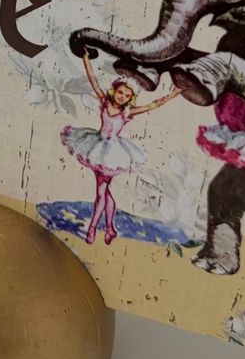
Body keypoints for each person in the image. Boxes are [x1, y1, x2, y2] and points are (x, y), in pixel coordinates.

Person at [61, 51, 180, 244]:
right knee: (105, 192)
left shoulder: (127, 112)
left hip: (111, 154)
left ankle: (92, 228)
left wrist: (173, 94)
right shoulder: (104, 102)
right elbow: (93, 81)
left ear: (130, 98)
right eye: (120, 92)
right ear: (114, 90)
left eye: (127, 95)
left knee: (101, 192)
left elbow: (153, 105)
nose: (122, 97)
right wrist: (86, 59)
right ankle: (110, 229)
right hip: (95, 147)